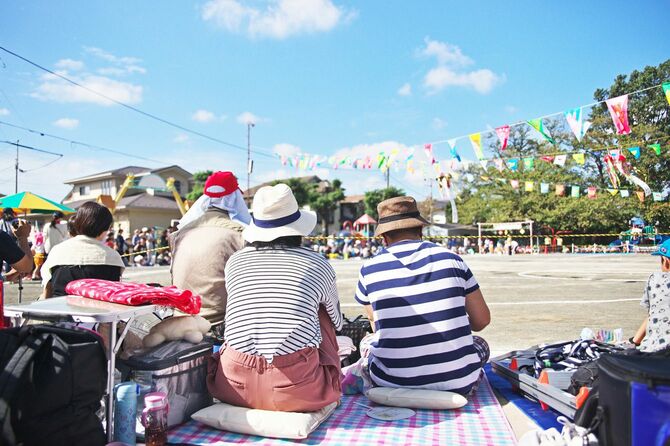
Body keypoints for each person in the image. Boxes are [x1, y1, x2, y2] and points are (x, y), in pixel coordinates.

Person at [207, 183, 343, 412]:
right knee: (322, 310)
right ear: (297, 227)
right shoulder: (318, 264)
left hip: (233, 385)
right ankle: (329, 382)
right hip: (296, 389)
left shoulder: (235, 262)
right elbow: (337, 322)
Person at [354, 196, 491, 396]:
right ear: (420, 230)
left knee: (367, 342)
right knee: (481, 344)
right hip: (459, 383)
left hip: (390, 382)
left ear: (384, 237)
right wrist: (450, 321)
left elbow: (377, 325)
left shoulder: (369, 269)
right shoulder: (452, 260)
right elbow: (481, 321)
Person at [170, 171, 249, 325]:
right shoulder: (240, 235)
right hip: (219, 323)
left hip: (179, 317)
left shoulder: (180, 234)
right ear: (234, 198)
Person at [41, 202, 125, 298]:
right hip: (98, 310)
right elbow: (113, 294)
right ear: (105, 229)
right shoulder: (112, 256)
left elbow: (47, 289)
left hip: (60, 308)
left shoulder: (57, 251)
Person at [630, 239, 670, 352]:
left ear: (665, 260)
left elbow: (654, 313)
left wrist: (634, 342)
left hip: (654, 350)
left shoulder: (655, 279)